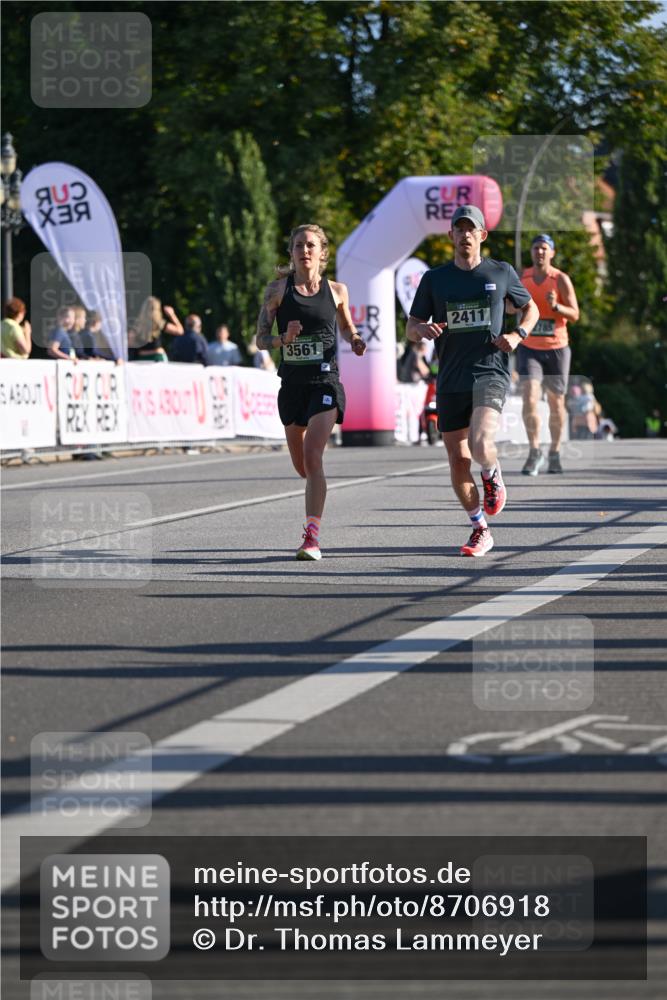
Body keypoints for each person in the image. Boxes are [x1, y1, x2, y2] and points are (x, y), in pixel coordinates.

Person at [407, 204, 539, 558]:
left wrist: (518, 334)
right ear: (450, 235)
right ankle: (480, 528)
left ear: (482, 235)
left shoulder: (501, 271)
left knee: (481, 443)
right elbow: (411, 326)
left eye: (472, 229)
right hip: (450, 377)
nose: (465, 234)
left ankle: (492, 473)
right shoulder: (435, 279)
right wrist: (422, 329)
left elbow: (531, 308)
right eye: (459, 229)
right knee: (457, 460)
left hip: (489, 371)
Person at [255, 223, 366, 560]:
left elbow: (347, 328)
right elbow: (260, 338)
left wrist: (356, 340)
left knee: (314, 456)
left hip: (325, 381)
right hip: (292, 385)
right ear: (291, 253)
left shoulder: (337, 291)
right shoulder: (276, 291)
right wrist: (281, 340)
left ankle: (312, 537)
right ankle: (314, 487)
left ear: (322, 253)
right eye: (299, 245)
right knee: (303, 466)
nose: (305, 250)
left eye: (311, 245)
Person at [516, 234, 580, 475]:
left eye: (544, 248)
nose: (539, 252)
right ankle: (534, 451)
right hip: (529, 346)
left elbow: (575, 314)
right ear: (531, 253)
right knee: (529, 396)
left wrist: (556, 307)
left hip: (556, 348)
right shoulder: (524, 277)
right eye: (536, 248)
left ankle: (554, 451)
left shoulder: (560, 279)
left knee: (556, 402)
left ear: (552, 253)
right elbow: (513, 306)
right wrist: (512, 305)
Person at [131, 296, 184, 361]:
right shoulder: (160, 323)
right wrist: (172, 315)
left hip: (142, 358)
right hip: (157, 357)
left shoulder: (137, 325)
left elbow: (132, 346)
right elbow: (180, 331)